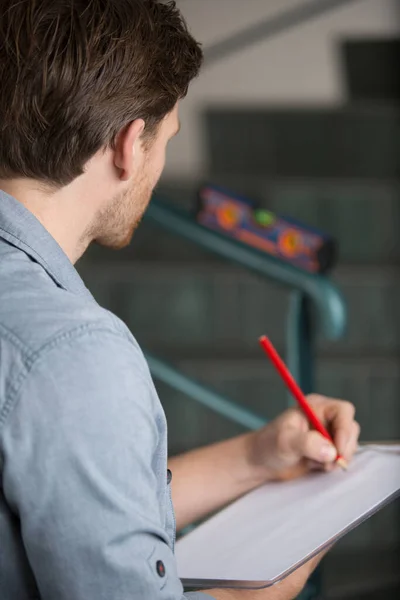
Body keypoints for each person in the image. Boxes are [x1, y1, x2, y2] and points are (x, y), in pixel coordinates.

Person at [0, 2, 360, 599]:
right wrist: (271, 585)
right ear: (129, 143)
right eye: (166, 138)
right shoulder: (74, 353)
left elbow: (73, 499)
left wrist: (259, 454)